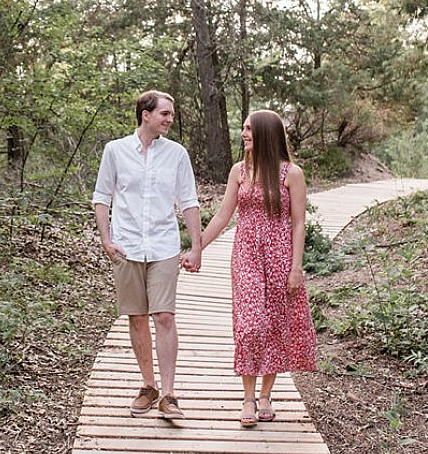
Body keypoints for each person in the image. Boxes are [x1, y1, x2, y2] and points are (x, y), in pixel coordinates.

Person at [190, 109, 316, 427]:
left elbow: (299, 223)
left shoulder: (292, 174)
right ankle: (247, 397)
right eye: (243, 129)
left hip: (280, 257)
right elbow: (222, 216)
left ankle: (265, 395)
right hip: (245, 254)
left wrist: (296, 268)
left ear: (265, 134)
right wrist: (196, 247)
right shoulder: (239, 171)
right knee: (250, 326)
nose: (243, 134)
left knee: (274, 325)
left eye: (249, 129)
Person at [92, 90, 202, 420]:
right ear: (146, 115)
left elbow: (189, 201)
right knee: (137, 317)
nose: (170, 119)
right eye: (165, 114)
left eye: (170, 114)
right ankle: (148, 386)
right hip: (126, 246)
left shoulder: (177, 154)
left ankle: (169, 394)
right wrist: (106, 239)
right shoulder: (115, 151)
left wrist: (196, 246)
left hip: (164, 246)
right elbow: (101, 197)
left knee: (164, 316)